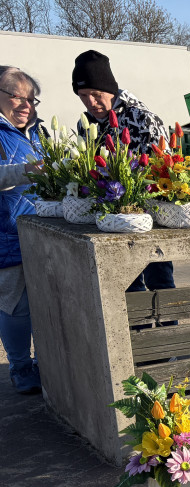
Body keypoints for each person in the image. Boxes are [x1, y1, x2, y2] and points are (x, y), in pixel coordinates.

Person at [73, 50, 172, 301]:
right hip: (110, 222)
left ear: (111, 90)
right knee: (126, 287)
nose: (91, 102)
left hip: (149, 220)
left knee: (160, 284)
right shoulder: (86, 124)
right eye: (83, 95)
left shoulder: (142, 118)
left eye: (97, 94)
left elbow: (166, 169)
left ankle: (168, 325)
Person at [0, 66, 44, 394]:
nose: (26, 105)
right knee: (16, 306)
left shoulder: (37, 132)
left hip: (42, 233)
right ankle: (20, 367)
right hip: (8, 234)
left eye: (31, 99)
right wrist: (28, 170)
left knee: (46, 303)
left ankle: (46, 361)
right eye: (17, 96)